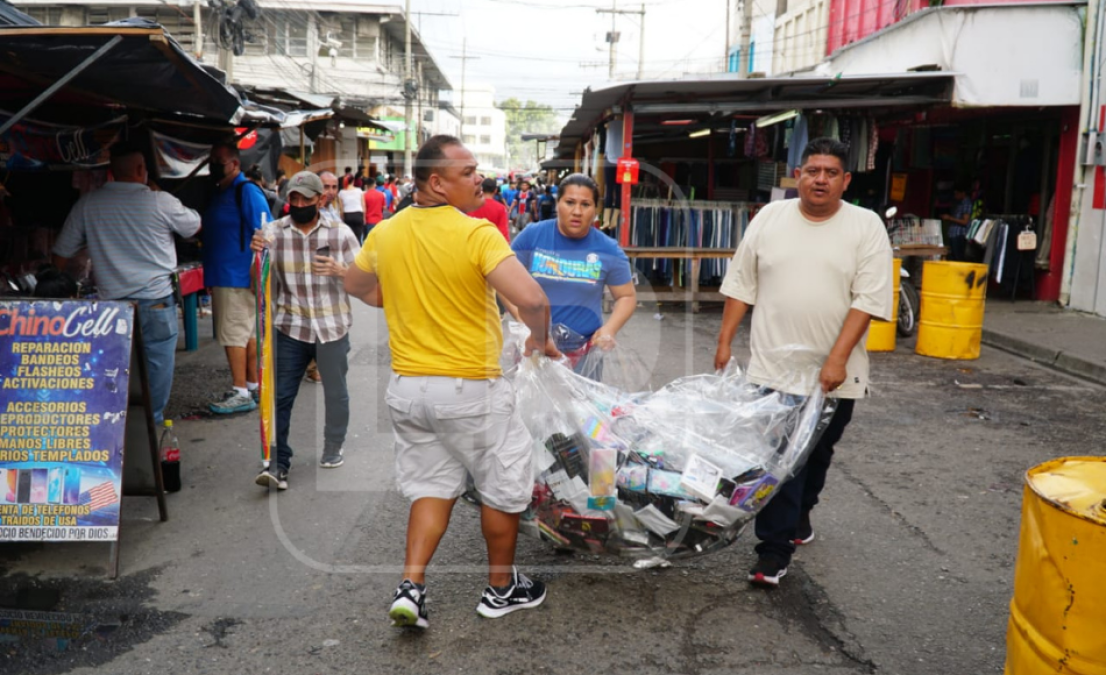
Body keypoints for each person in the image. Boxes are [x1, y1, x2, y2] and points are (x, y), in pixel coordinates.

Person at [345, 135, 559, 629]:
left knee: (431, 487)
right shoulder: (477, 234)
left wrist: (395, 297)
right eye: (467, 172)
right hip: (471, 392)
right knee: (502, 487)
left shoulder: (386, 232)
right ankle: (502, 589)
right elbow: (534, 301)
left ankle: (411, 587)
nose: (478, 177)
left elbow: (356, 286)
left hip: (409, 392)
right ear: (436, 183)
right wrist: (537, 341)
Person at [713, 137, 893, 589]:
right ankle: (773, 552)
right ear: (797, 175)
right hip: (773, 369)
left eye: (831, 173)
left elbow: (868, 298)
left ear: (845, 180)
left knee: (816, 456)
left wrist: (835, 361)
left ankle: (801, 514)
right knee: (781, 461)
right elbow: (742, 283)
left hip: (838, 375)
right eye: (812, 170)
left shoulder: (866, 226)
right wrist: (724, 343)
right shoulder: (770, 218)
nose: (820, 179)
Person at [53, 141, 201, 424]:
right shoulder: (161, 201)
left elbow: (60, 255)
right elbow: (195, 226)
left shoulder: (88, 204)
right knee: (156, 373)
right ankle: (151, 428)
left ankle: (115, 431)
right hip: (156, 304)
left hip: (112, 309)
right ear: (141, 168)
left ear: (110, 171)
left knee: (113, 373)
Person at [252, 171, 360, 490]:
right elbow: (256, 284)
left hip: (332, 326)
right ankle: (278, 463)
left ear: (320, 199)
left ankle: (332, 446)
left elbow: (365, 279)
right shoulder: (272, 232)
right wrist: (257, 255)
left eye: (305, 199)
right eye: (293, 198)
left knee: (336, 393)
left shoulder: (340, 234)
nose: (298, 204)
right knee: (281, 395)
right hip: (291, 327)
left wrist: (342, 271)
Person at [507, 173, 636, 373]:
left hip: (583, 353)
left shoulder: (608, 249)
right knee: (532, 403)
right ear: (558, 204)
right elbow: (505, 282)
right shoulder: (533, 235)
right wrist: (522, 319)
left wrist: (609, 330)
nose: (577, 211)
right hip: (534, 345)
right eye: (569, 202)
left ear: (595, 209)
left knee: (582, 404)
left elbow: (626, 296)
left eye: (586, 204)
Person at [202, 140, 271, 414]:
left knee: (233, 334)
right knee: (247, 334)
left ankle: (240, 391)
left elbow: (265, 230)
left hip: (238, 275)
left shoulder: (246, 191)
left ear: (235, 164)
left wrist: (259, 274)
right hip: (228, 275)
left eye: (220, 160)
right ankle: (251, 386)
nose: (214, 165)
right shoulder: (222, 192)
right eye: (212, 160)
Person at [466, 177, 510, 241]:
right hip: (492, 243)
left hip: (473, 241)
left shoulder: (471, 205)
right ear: (495, 190)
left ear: (481, 189)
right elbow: (503, 231)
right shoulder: (501, 208)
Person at [942, 183, 974, 262]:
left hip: (959, 234)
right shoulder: (957, 202)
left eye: (957, 193)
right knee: (952, 256)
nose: (955, 195)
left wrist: (950, 218)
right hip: (953, 234)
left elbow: (965, 221)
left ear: (963, 193)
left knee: (958, 257)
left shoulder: (966, 203)